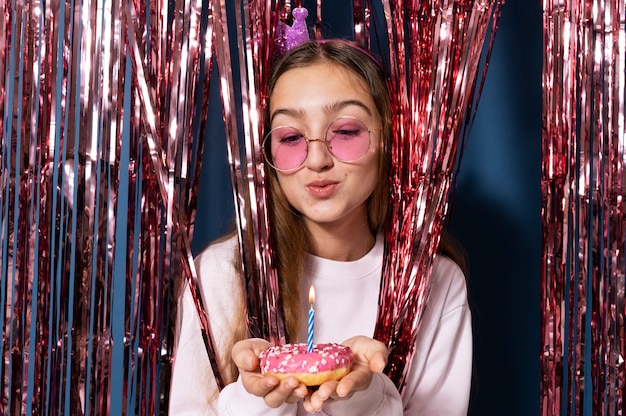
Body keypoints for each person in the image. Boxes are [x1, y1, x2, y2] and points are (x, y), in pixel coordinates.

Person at [169, 40, 472, 415]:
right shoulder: (220, 273)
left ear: (390, 139)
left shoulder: (434, 282)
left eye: (345, 131)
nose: (316, 159)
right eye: (291, 137)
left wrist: (362, 396)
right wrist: (260, 399)